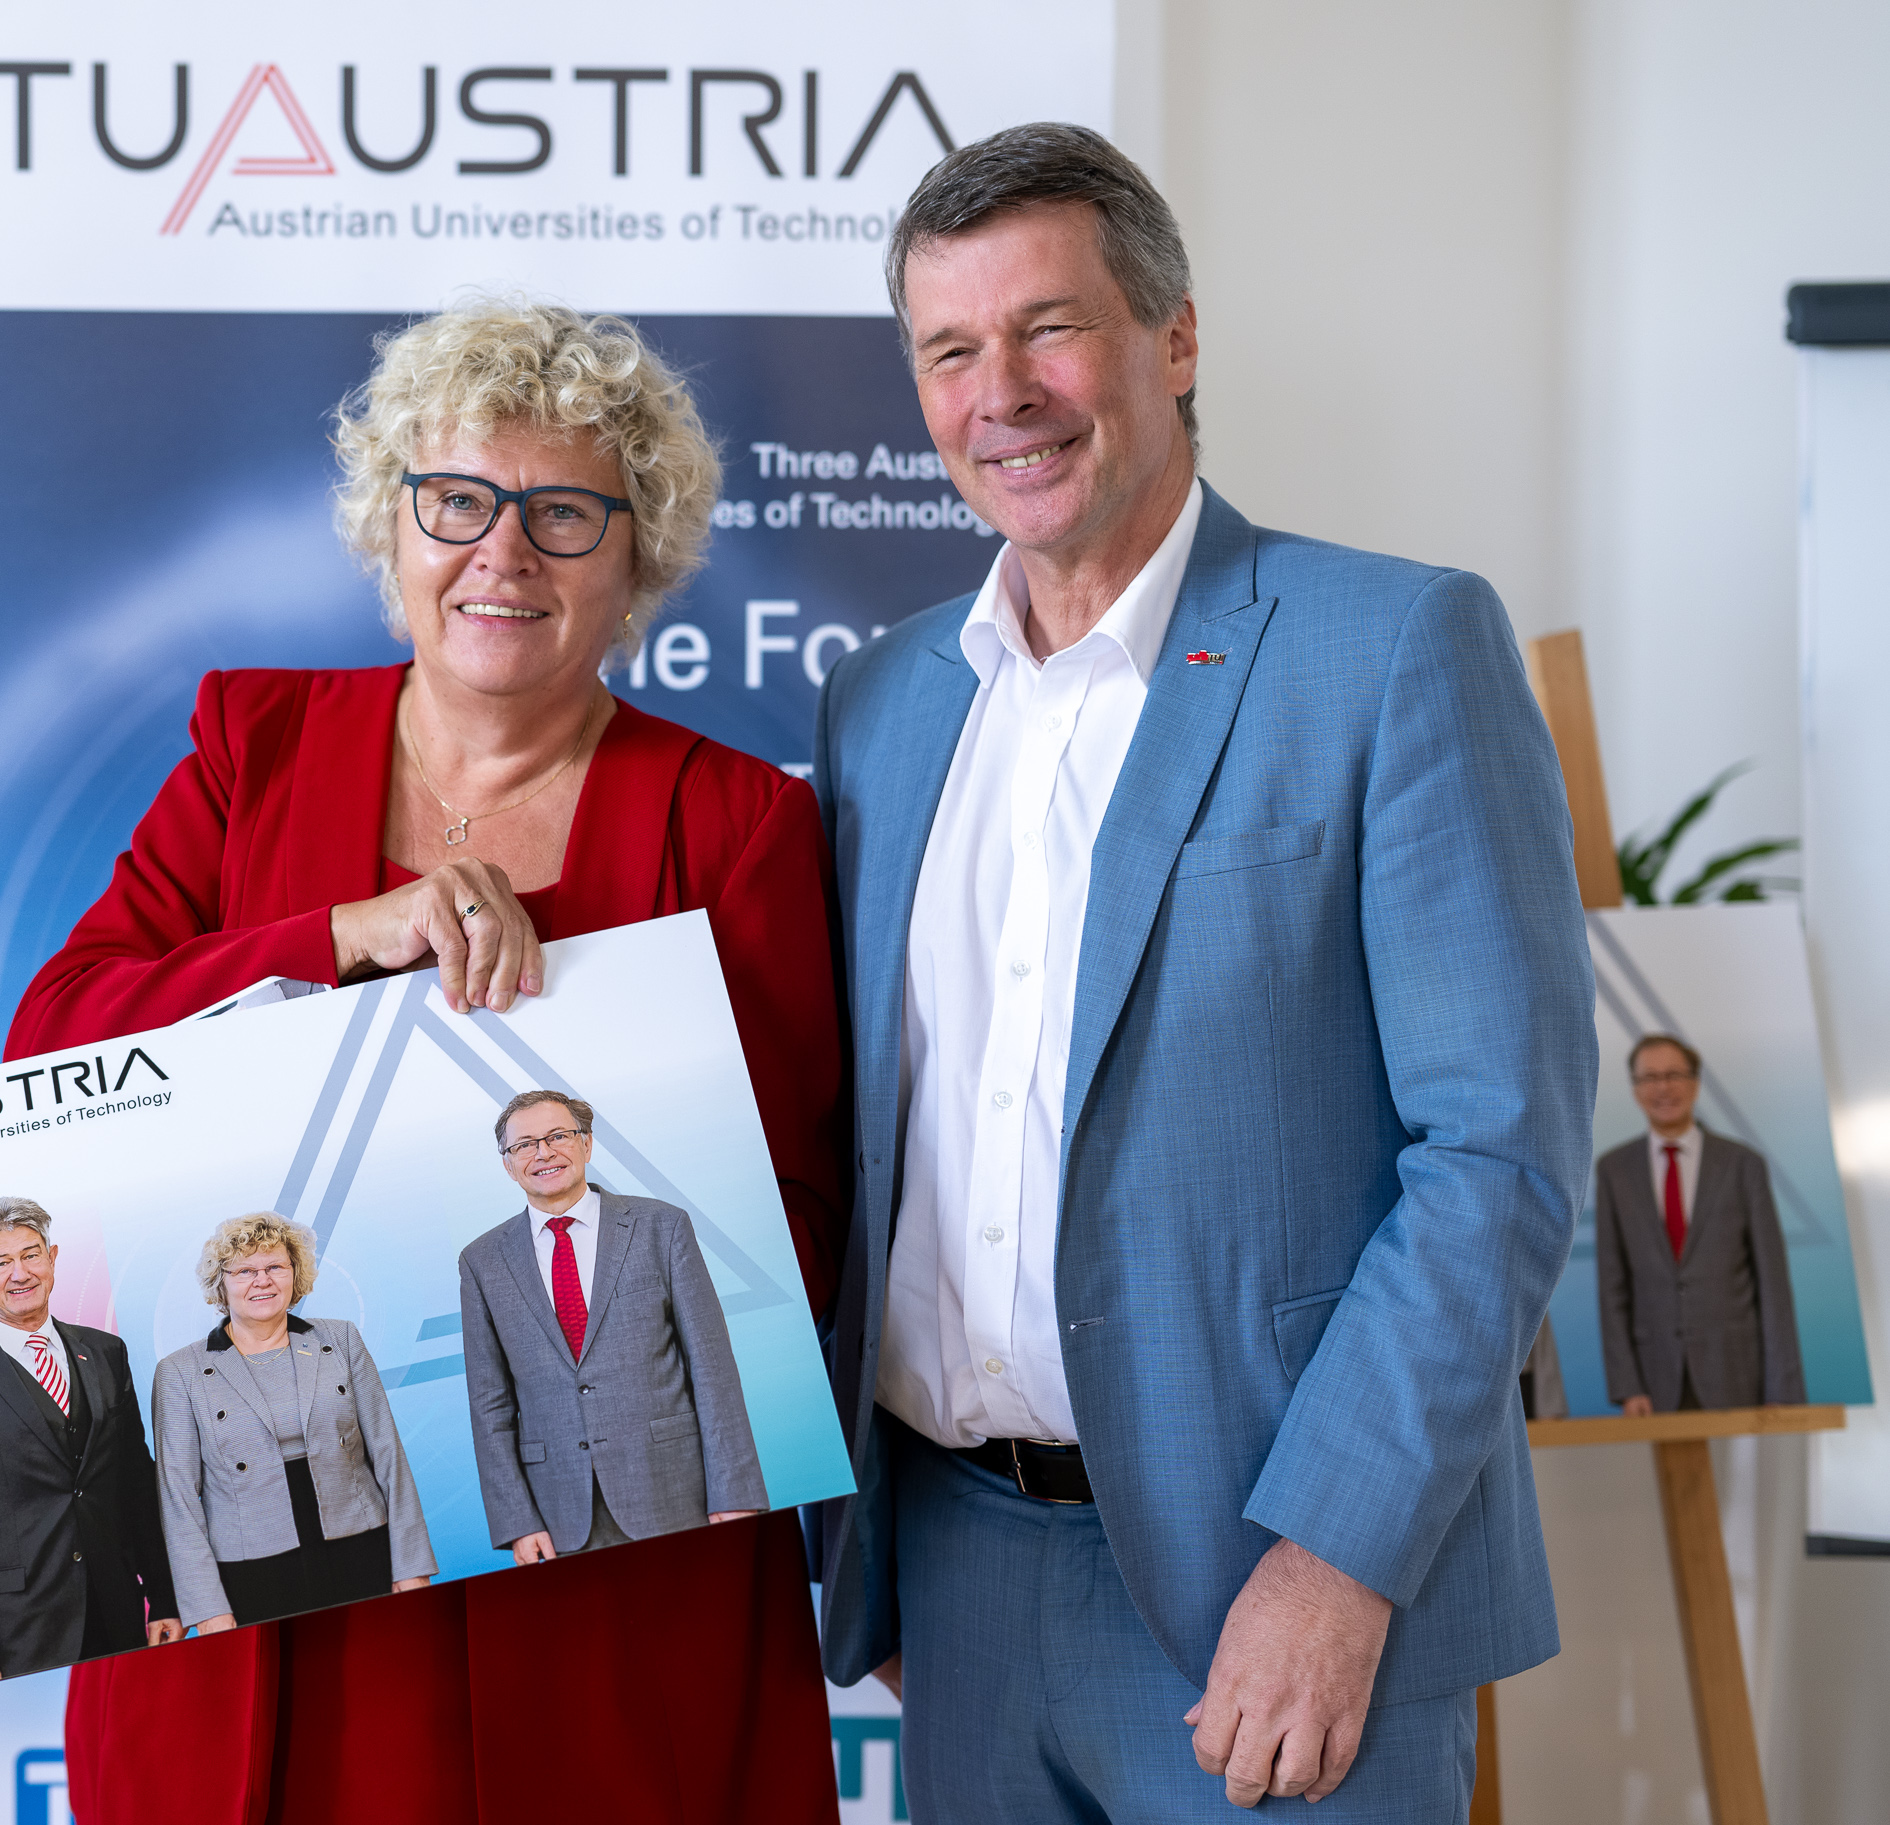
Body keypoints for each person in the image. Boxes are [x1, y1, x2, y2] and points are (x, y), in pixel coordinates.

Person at [809, 124, 1596, 1820]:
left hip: (1277, 1586)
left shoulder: (1392, 648)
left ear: (1172, 339)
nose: (999, 394)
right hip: (954, 1575)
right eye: (949, 350)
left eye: (1049, 327)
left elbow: (1495, 1154)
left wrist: (1333, 1558)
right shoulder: (879, 705)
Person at [6, 297, 845, 1825]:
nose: (501, 553)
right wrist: (341, 935)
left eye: (564, 514)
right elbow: (57, 1039)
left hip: (595, 1589)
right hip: (269, 1601)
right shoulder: (252, 748)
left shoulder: (734, 824)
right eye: (456, 500)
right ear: (390, 528)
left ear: (636, 559)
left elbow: (797, 1230)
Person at [459, 1090, 765, 1560]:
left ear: (586, 1143)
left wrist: (734, 1493)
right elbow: (489, 1405)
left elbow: (712, 1368)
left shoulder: (662, 1226)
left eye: (558, 1136)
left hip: (674, 1491)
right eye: (524, 1145)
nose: (543, 1153)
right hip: (557, 1514)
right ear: (507, 1163)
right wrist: (517, 1522)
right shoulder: (482, 1261)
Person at [0, 1197, 180, 1686]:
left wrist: (163, 1597)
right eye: (1, 1262)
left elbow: (136, 1483)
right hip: (17, 1632)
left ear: (52, 1258)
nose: (20, 1273)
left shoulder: (106, 1352)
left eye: (31, 1255)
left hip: (119, 1612)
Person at [154, 1212, 437, 1630]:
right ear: (221, 1282)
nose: (262, 1281)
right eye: (245, 1271)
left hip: (360, 1546)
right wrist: (208, 1608)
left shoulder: (341, 1339)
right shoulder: (180, 1372)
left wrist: (411, 1566)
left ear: (295, 1274)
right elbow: (177, 1499)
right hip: (252, 1569)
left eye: (275, 1267)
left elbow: (389, 1455)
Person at [1595, 1034, 1804, 1413]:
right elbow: (1612, 1287)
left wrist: (1781, 1386)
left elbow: (1772, 1282)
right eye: (1649, 1077)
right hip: (1654, 1382)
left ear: (1695, 1082)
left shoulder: (1743, 1165)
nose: (1663, 1087)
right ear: (1635, 1089)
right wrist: (1627, 1386)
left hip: (1739, 1374)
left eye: (1674, 1074)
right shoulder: (1614, 1171)